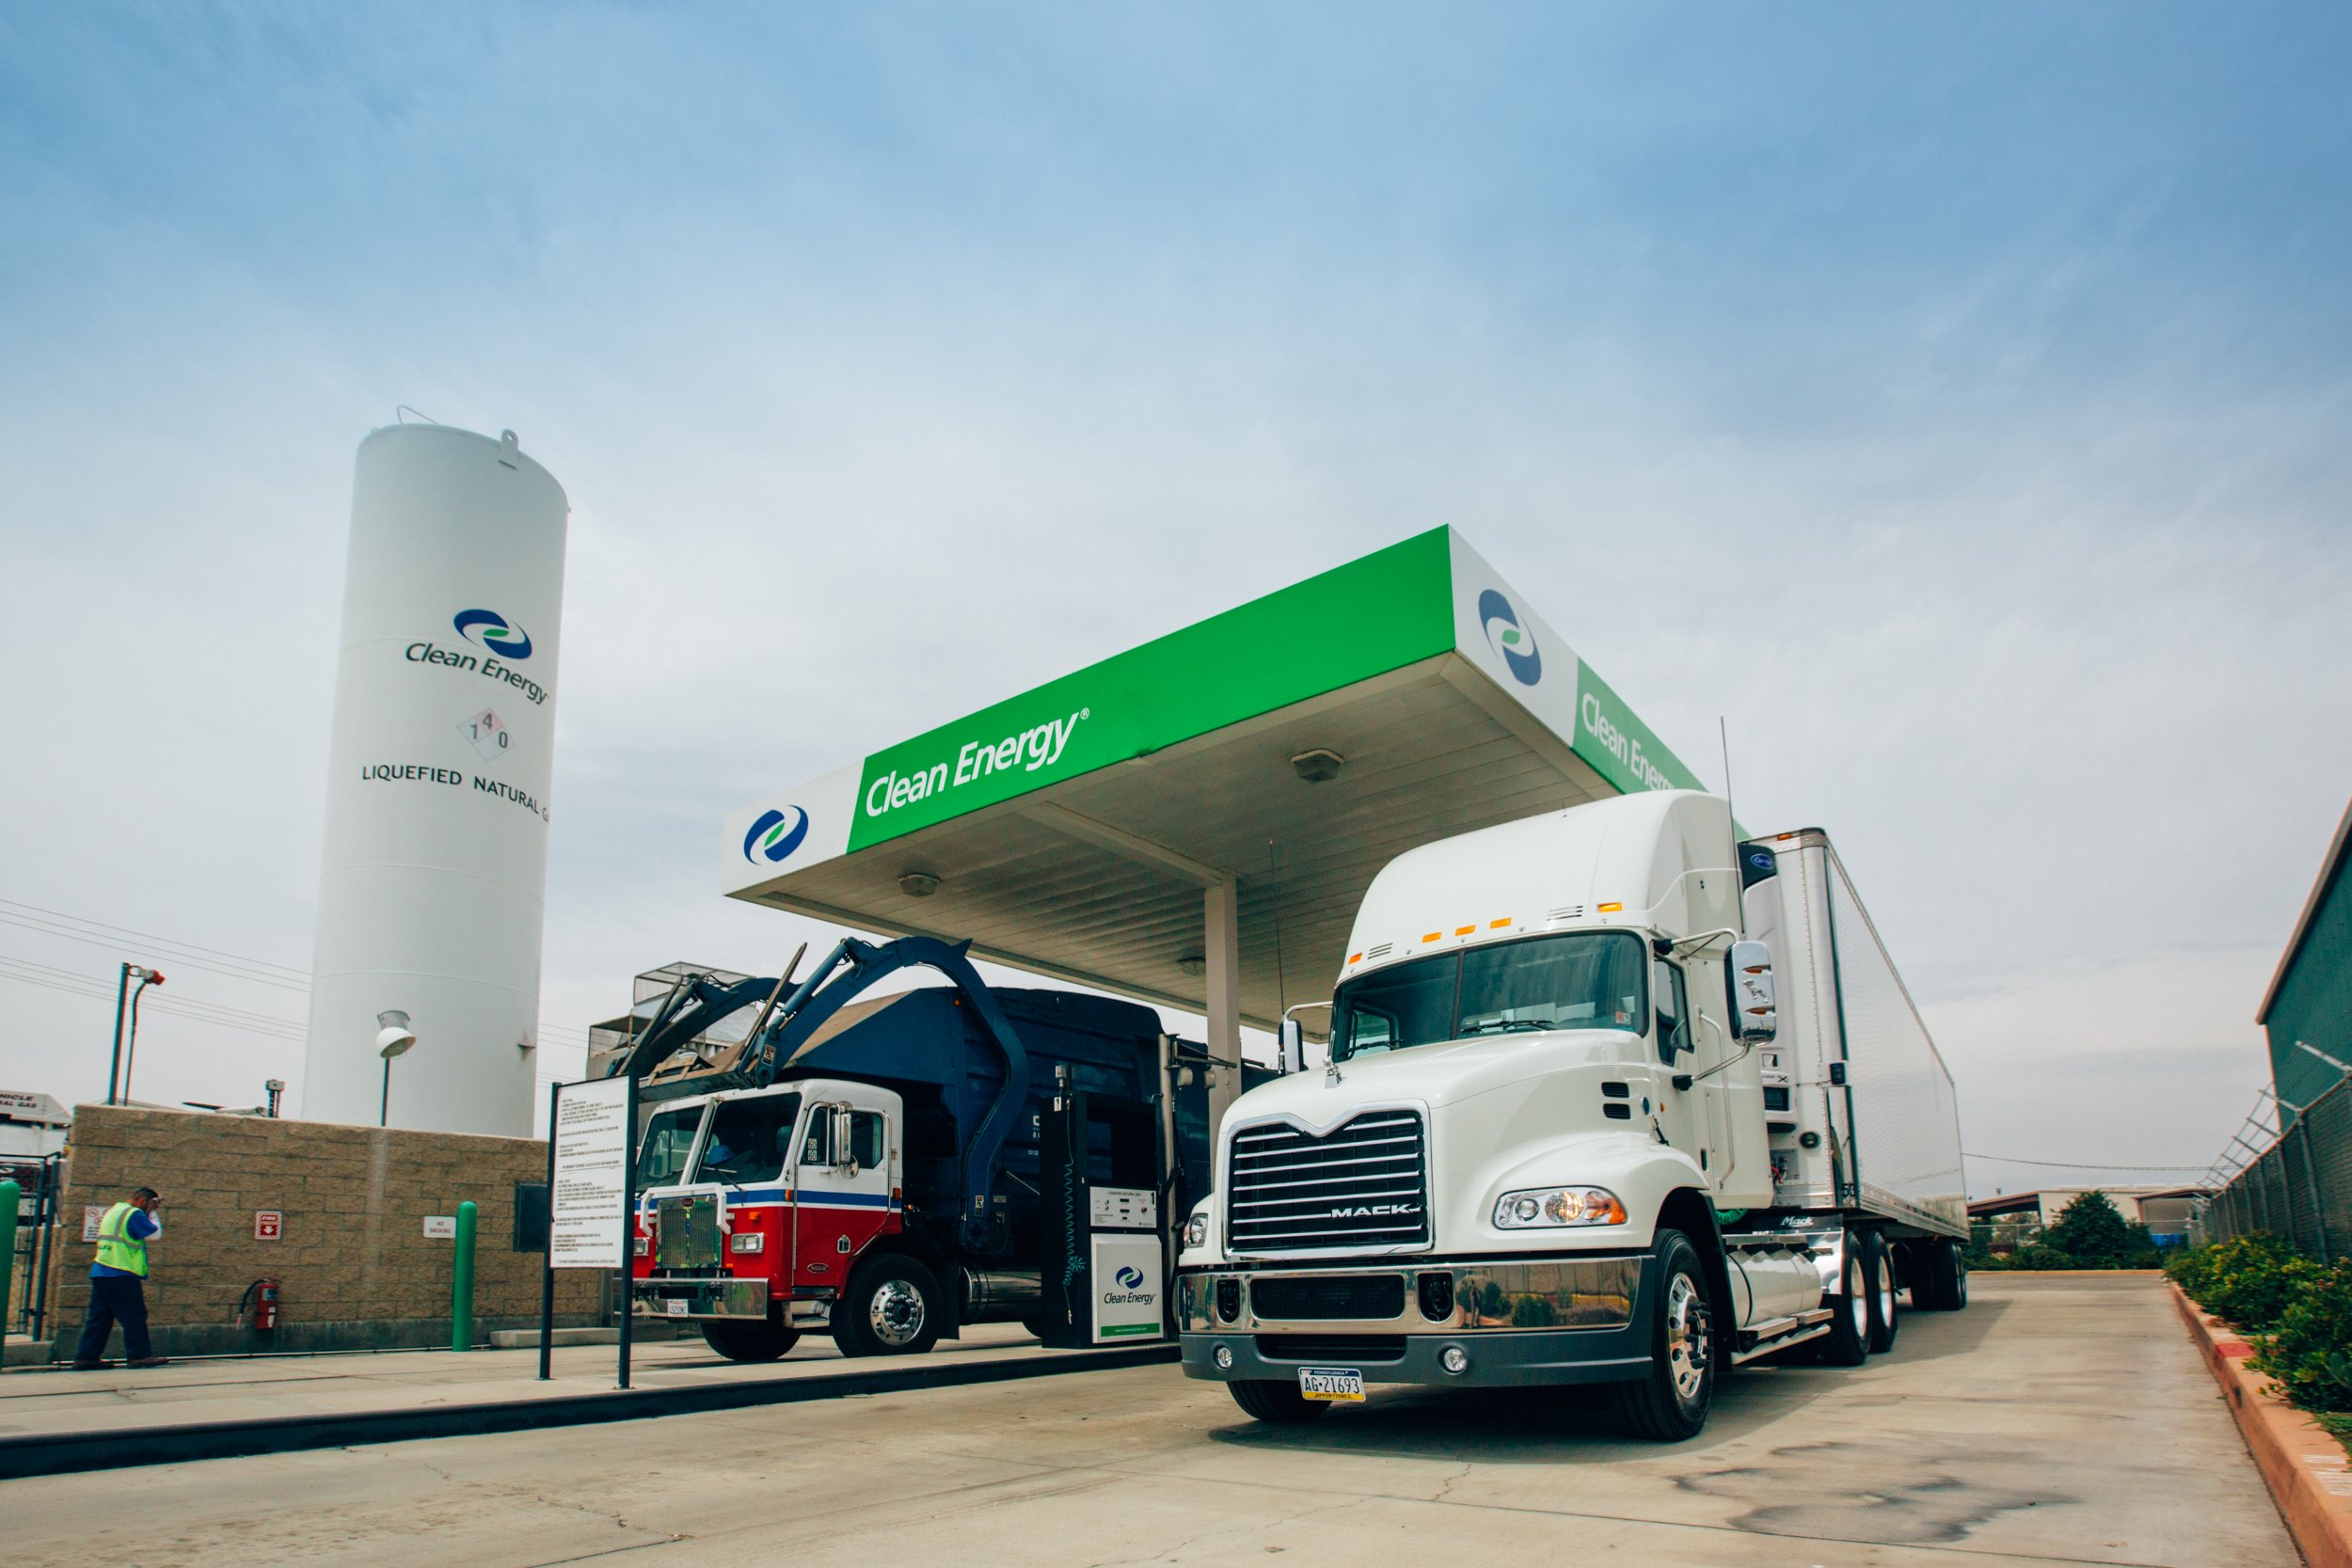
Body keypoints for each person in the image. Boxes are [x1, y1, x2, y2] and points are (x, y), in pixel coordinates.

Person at [73, 1185, 168, 1370]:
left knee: (100, 1318)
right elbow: (154, 1234)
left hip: (101, 1271)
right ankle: (139, 1356)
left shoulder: (114, 1211)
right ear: (143, 1201)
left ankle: (86, 1357)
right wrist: (153, 1213)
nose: (150, 1208)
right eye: (150, 1204)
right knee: (134, 1315)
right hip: (121, 1271)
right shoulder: (134, 1213)